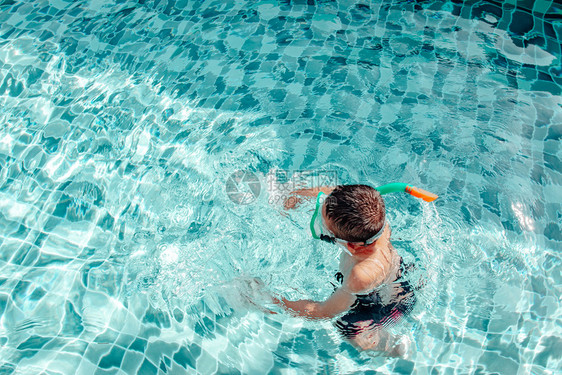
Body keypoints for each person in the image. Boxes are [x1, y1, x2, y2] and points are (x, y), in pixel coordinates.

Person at [271, 184, 416, 356]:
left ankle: (391, 347)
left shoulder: (360, 275)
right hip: (395, 274)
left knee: (347, 326)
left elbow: (322, 312)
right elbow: (331, 193)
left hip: (387, 305)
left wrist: (274, 301)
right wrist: (289, 197)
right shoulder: (374, 220)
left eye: (325, 231)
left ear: (351, 246)